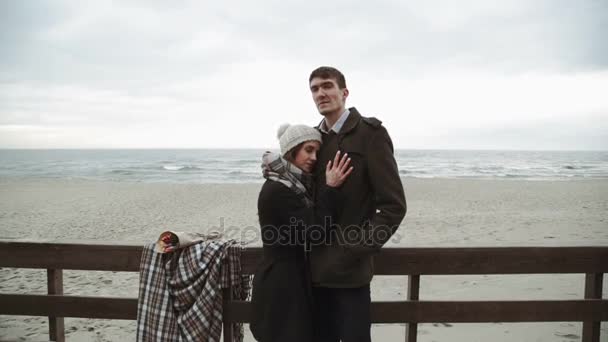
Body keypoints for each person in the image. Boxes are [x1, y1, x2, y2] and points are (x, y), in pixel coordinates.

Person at [308, 66, 407, 342]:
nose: (321, 93)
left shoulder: (370, 134)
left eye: (327, 86)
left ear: (344, 92)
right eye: (314, 89)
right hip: (313, 273)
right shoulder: (312, 140)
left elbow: (393, 206)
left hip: (351, 275)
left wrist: (356, 247)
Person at [250, 123, 353, 342]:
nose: (314, 157)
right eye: (308, 149)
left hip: (288, 279)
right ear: (291, 150)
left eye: (316, 150)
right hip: (281, 286)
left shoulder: (291, 183)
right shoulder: (279, 190)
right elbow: (315, 231)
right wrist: (332, 189)